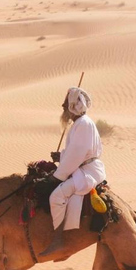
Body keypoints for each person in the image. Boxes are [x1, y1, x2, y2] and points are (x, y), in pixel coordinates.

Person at [39, 86, 106, 256]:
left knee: (57, 196)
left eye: (65, 104)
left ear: (73, 106)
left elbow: (77, 154)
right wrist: (61, 156)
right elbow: (75, 152)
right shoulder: (80, 123)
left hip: (87, 172)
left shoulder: (83, 124)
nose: (63, 107)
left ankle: (59, 240)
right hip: (82, 168)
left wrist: (58, 176)